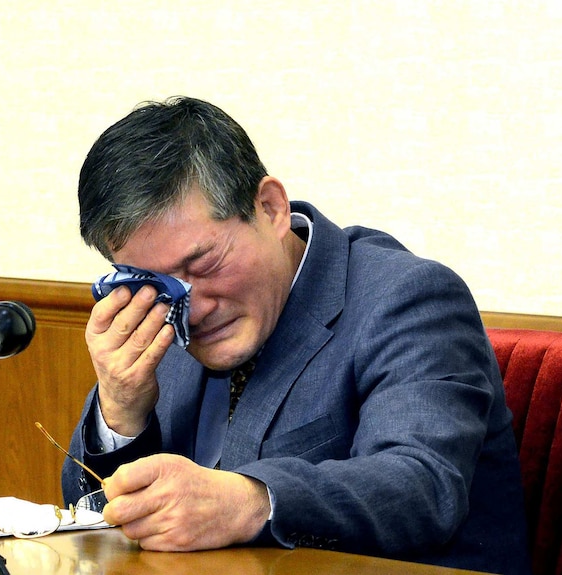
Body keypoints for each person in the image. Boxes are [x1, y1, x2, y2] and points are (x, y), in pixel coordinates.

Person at [62, 96, 531, 574]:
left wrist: (251, 502)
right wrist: (121, 410)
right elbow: (95, 518)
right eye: (156, 284)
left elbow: (422, 486)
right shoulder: (161, 319)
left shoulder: (405, 297)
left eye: (204, 264)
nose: (193, 309)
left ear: (270, 208)